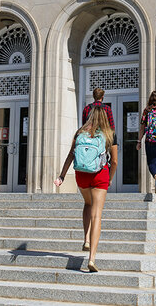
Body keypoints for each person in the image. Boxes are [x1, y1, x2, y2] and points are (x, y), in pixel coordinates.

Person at [54, 106, 118, 272]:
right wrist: (109, 179)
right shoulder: (109, 134)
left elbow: (71, 154)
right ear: (105, 117)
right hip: (100, 175)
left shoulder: (80, 132)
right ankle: (92, 259)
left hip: (81, 174)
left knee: (87, 203)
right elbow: (115, 161)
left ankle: (86, 240)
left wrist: (61, 176)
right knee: (97, 215)